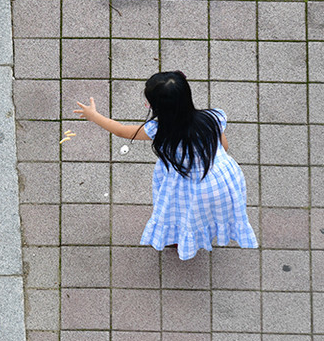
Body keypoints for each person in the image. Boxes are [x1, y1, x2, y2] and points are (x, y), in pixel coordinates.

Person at [73, 70, 257, 260]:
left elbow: (121, 131)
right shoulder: (212, 118)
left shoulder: (159, 130)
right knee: (207, 211)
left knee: (184, 213)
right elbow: (224, 147)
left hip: (187, 185)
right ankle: (207, 235)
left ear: (157, 107)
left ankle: (180, 241)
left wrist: (93, 115)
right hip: (221, 179)